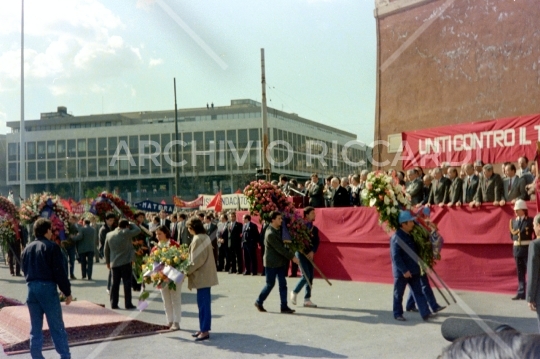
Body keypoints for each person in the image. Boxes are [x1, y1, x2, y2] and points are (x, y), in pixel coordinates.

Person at [22, 218, 72, 359]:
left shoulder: (27, 248)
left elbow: (23, 268)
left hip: (31, 288)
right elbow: (59, 271)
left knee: (35, 326)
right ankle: (64, 355)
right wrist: (67, 292)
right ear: (48, 230)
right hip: (47, 288)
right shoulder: (51, 247)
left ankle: (36, 355)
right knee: (56, 325)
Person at [390, 210, 434, 322]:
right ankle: (397, 313)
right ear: (403, 224)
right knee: (398, 294)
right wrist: (404, 270)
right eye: (410, 222)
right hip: (402, 272)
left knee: (418, 291)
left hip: (413, 270)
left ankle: (425, 313)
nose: (413, 223)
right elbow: (396, 257)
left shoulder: (410, 235)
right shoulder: (397, 237)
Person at [254, 211, 299, 314]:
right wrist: (292, 257)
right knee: (270, 284)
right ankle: (259, 301)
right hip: (272, 263)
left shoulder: (279, 230)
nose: (281, 220)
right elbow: (280, 249)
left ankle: (284, 306)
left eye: (281, 218)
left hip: (280, 262)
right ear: (273, 220)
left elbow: (285, 244)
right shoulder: (270, 233)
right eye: (279, 219)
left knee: (283, 284)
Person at [186, 218, 219, 341]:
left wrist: (185, 271)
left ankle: (204, 330)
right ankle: (202, 328)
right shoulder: (204, 236)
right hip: (206, 275)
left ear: (192, 228)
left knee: (203, 305)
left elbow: (196, 260)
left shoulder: (197, 239)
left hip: (202, 276)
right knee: (203, 304)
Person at [104, 219, 141, 310]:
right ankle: (128, 303)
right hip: (125, 261)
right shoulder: (126, 233)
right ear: (127, 226)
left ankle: (114, 303)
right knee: (127, 283)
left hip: (114, 262)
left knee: (114, 284)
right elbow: (138, 230)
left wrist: (108, 262)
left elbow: (106, 250)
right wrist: (132, 223)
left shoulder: (109, 234)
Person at [152, 225, 182, 331]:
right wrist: (160, 275)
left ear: (166, 233)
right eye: (156, 234)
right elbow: (153, 265)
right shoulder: (155, 248)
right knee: (166, 300)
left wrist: (173, 274)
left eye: (160, 233)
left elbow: (181, 261)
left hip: (174, 276)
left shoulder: (174, 245)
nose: (157, 236)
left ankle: (176, 322)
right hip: (162, 277)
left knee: (175, 299)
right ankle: (169, 321)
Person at [291, 206, 320, 308]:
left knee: (310, 277)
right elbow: (294, 240)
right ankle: (294, 292)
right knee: (306, 276)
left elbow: (316, 242)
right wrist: (299, 249)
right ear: (306, 215)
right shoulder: (299, 226)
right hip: (301, 254)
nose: (314, 215)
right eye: (312, 213)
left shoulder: (314, 229)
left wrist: (313, 251)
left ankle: (307, 299)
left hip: (310, 255)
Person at [510, 199, 534, 300]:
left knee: (530, 271)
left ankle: (530, 292)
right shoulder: (513, 222)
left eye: (518, 210)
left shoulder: (530, 221)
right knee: (520, 272)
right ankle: (521, 292)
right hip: (517, 249)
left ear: (523, 210)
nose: (515, 212)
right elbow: (512, 236)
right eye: (515, 210)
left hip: (527, 248)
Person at [527, 213, 540, 331]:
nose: (533, 228)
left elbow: (533, 272)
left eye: (534, 225)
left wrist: (530, 296)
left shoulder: (535, 245)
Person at [99, 212, 117, 294]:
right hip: (105, 250)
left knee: (112, 269)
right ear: (106, 220)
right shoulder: (103, 229)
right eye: (110, 220)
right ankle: (109, 287)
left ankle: (110, 287)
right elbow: (106, 242)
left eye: (113, 220)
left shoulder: (113, 227)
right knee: (111, 269)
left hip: (112, 250)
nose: (111, 222)